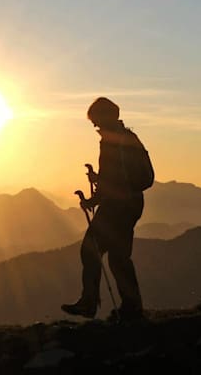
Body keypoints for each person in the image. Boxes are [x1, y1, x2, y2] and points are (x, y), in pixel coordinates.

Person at [61, 97, 148, 322]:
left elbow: (115, 179)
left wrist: (97, 190)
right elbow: (116, 178)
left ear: (106, 118)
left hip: (119, 207)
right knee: (119, 258)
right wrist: (96, 193)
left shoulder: (115, 142)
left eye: (96, 121)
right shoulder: (124, 139)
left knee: (90, 250)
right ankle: (132, 308)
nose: (95, 127)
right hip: (129, 204)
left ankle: (90, 303)